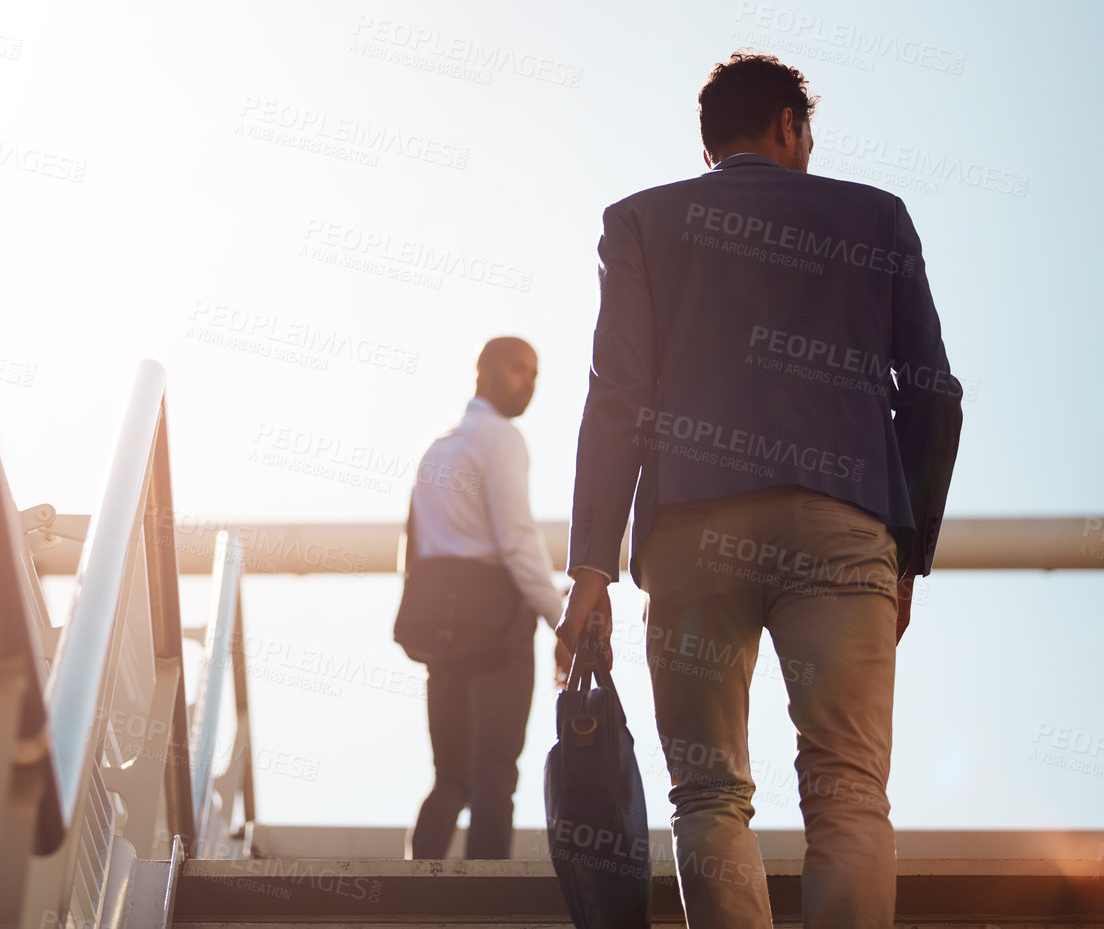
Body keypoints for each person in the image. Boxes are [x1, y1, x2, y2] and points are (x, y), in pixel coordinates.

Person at [556, 53, 962, 928]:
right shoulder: (874, 215)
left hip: (692, 532)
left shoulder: (639, 223)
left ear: (710, 142)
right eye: (806, 131)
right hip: (844, 520)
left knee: (707, 795)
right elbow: (934, 392)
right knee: (848, 789)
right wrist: (908, 552)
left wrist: (591, 566)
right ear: (788, 124)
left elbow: (616, 393)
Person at [405, 337, 569, 860]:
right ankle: (485, 899)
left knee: (449, 776)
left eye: (535, 374)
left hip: (439, 625)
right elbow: (517, 539)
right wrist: (561, 617)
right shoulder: (501, 438)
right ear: (485, 371)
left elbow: (415, 544)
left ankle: (409, 887)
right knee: (495, 771)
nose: (530, 384)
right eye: (520, 370)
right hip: (497, 624)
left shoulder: (437, 446)